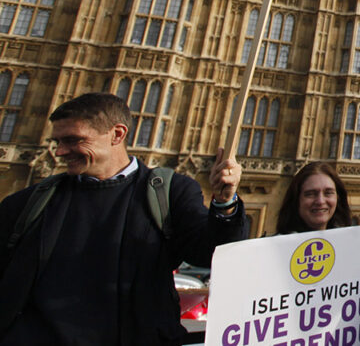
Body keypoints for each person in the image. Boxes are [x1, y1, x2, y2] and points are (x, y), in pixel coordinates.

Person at [0, 92, 247, 345]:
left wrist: (225, 201)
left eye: (73, 140)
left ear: (118, 134)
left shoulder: (169, 193)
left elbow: (213, 252)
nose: (61, 152)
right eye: (58, 142)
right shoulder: (28, 203)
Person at [275, 162, 352, 234]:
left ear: (338, 198)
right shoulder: (272, 246)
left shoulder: (347, 244)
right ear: (296, 200)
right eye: (311, 194)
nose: (320, 201)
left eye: (328, 193)